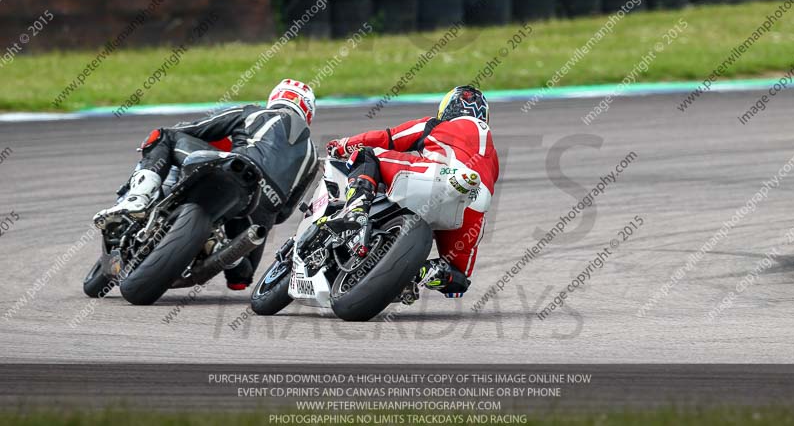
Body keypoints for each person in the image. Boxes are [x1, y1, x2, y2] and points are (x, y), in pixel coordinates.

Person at [94, 79, 319, 290]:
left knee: (164, 136)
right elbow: (284, 213)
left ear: (275, 97)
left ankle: (139, 197)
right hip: (259, 213)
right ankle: (228, 253)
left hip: (236, 170)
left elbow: (197, 129)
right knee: (241, 278)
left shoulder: (254, 112)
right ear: (308, 112)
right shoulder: (313, 158)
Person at [327, 85, 499, 301]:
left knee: (366, 154)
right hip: (473, 205)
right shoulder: (493, 155)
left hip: (439, 178)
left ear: (446, 110)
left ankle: (356, 210)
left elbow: (387, 138)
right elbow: (456, 288)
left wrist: (342, 146)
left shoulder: (436, 125)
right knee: (458, 278)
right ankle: (420, 273)